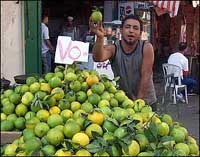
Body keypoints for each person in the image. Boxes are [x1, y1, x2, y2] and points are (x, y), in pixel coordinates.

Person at [89, 14, 157, 111]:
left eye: (135, 28)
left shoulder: (146, 47)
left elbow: (146, 74)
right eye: (127, 27)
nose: (131, 31)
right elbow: (98, 57)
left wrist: (138, 102)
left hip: (146, 101)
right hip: (124, 101)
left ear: (140, 33)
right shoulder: (114, 48)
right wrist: (100, 37)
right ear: (121, 30)